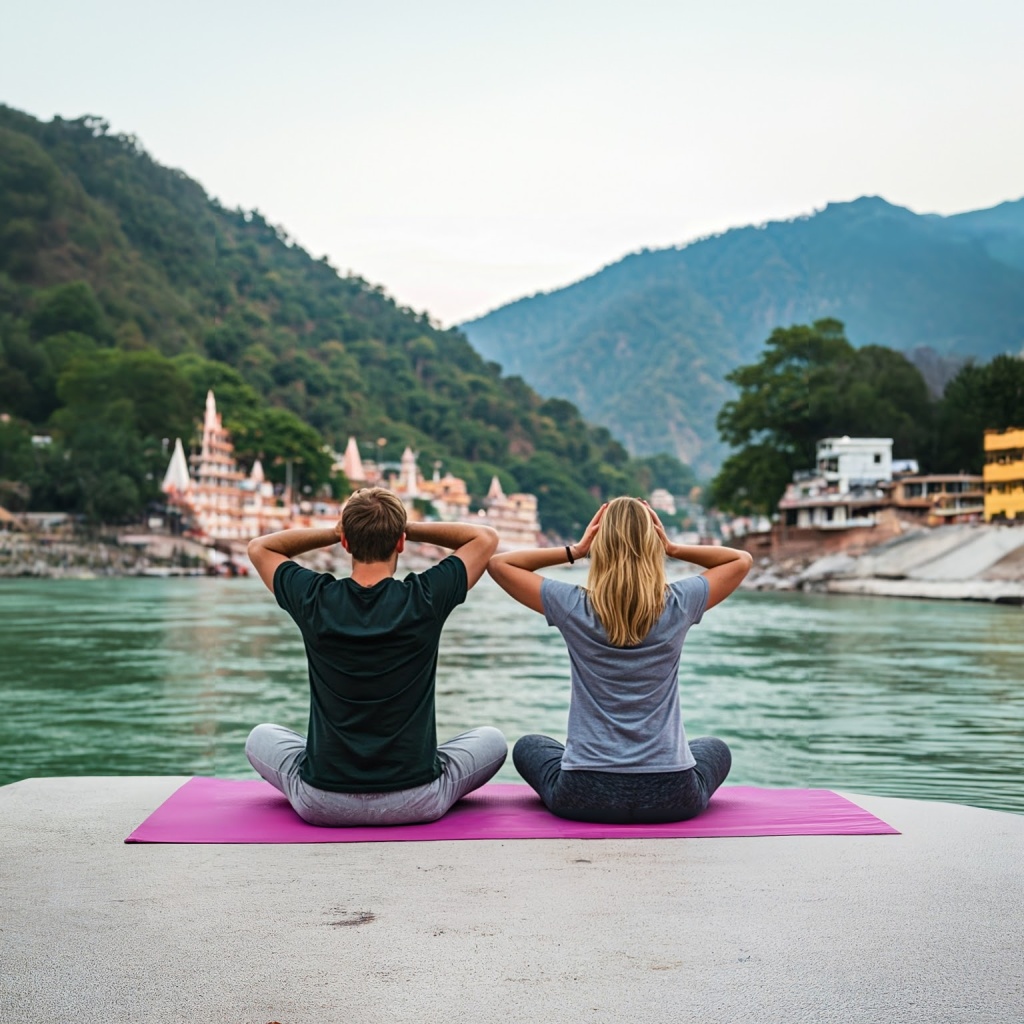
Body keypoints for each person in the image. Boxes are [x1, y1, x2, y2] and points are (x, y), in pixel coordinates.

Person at [245, 487, 507, 826]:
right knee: (493, 741)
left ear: (345, 544)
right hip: (417, 798)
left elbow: (260, 548)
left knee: (260, 737)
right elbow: (485, 538)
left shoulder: (314, 599)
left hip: (322, 802)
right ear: (400, 543)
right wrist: (407, 527)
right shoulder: (424, 599)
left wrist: (336, 529)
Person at [487, 497, 752, 824]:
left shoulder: (572, 605)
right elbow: (740, 560)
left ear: (601, 546)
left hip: (584, 795)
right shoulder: (679, 603)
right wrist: (672, 548)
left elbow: (499, 565)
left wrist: (577, 550)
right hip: (672, 795)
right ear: (652, 545)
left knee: (529, 745)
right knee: (714, 747)